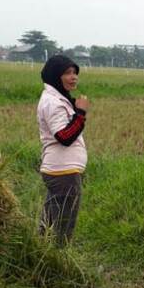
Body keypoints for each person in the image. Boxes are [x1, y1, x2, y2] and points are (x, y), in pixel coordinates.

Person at [36, 55, 89, 246]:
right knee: (62, 226)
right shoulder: (53, 102)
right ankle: (58, 260)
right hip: (63, 172)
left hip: (60, 170)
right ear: (55, 75)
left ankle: (39, 253)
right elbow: (64, 137)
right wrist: (81, 113)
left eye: (75, 72)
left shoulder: (58, 99)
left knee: (49, 222)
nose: (74, 77)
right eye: (67, 73)